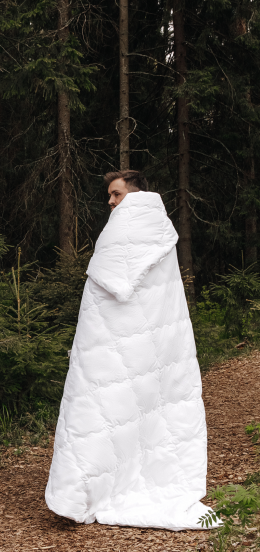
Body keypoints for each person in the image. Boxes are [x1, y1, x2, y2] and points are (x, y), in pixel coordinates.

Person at [45, 170, 215, 530]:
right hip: (146, 348)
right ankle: (116, 481)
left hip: (117, 344)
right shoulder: (162, 230)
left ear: (135, 195)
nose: (110, 202)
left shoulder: (123, 227)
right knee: (134, 414)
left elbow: (111, 281)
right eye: (110, 195)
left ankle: (87, 489)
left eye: (116, 194)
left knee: (102, 410)